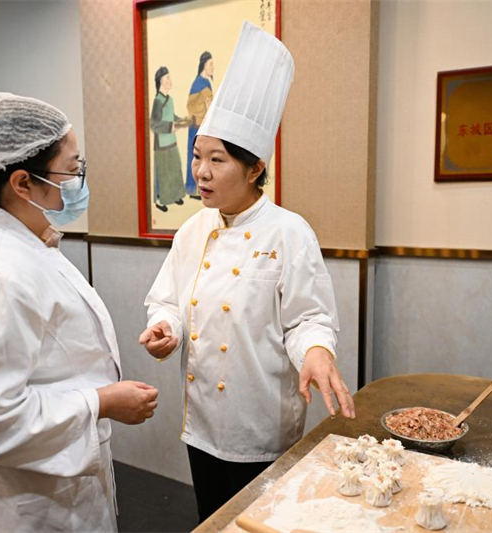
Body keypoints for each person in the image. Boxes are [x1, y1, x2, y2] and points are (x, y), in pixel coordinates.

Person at [139, 23, 355, 522]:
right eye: (197, 156)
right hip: (202, 426)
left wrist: (318, 351)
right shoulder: (192, 230)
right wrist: (166, 327)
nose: (202, 172)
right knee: (212, 520)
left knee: (262, 525)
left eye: (217, 160)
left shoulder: (289, 231)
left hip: (261, 429)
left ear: (255, 168)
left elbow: (307, 320)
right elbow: (168, 298)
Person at [0, 92, 158, 532]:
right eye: (71, 169)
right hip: (26, 501)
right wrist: (102, 401)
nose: (78, 180)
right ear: (22, 183)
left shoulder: (30, 242)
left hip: (57, 480)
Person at [150, 66, 187, 212]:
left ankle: (175, 195)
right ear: (160, 81)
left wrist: (182, 121)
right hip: (162, 144)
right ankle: (162, 200)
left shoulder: (170, 99)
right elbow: (154, 124)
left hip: (172, 141)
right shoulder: (157, 101)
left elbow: (171, 116)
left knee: (175, 169)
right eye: (167, 78)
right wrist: (170, 126)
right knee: (164, 173)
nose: (170, 81)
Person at [184, 51, 214, 199]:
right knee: (195, 157)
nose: (212, 67)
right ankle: (193, 190)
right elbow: (192, 106)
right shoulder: (198, 83)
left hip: (204, 126)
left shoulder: (207, 82)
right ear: (204, 65)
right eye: (210, 64)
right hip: (196, 126)